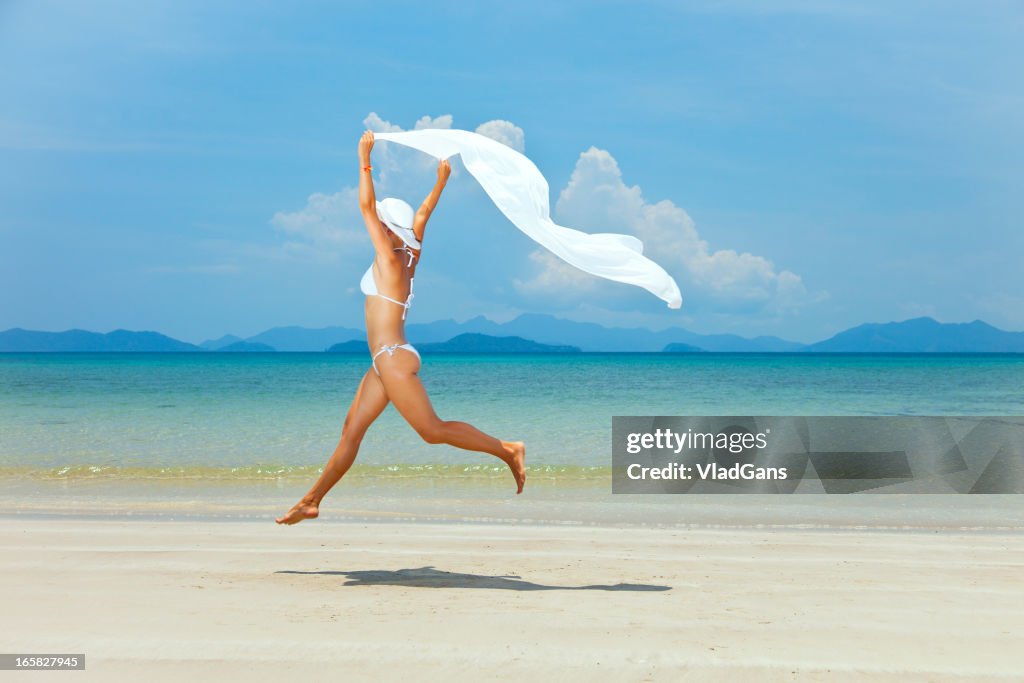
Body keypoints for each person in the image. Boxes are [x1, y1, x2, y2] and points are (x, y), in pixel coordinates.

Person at [276, 130, 526, 525]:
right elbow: (422, 214)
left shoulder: (391, 259)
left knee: (432, 431)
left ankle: (507, 449)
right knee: (351, 431)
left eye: (382, 223)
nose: (376, 225)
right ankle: (311, 501)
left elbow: (365, 205)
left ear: (389, 227)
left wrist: (365, 159)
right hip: (383, 362)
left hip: (393, 358)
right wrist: (440, 181)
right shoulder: (411, 252)